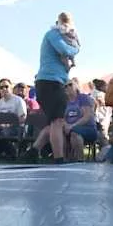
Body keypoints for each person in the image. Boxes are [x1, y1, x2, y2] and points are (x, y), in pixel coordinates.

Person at [35, 12, 80, 164]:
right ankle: (59, 158)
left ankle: (33, 151)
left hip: (53, 82)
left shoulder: (62, 37)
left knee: (55, 122)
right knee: (57, 122)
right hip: (50, 82)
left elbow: (65, 60)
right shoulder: (53, 34)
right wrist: (76, 48)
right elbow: (66, 51)